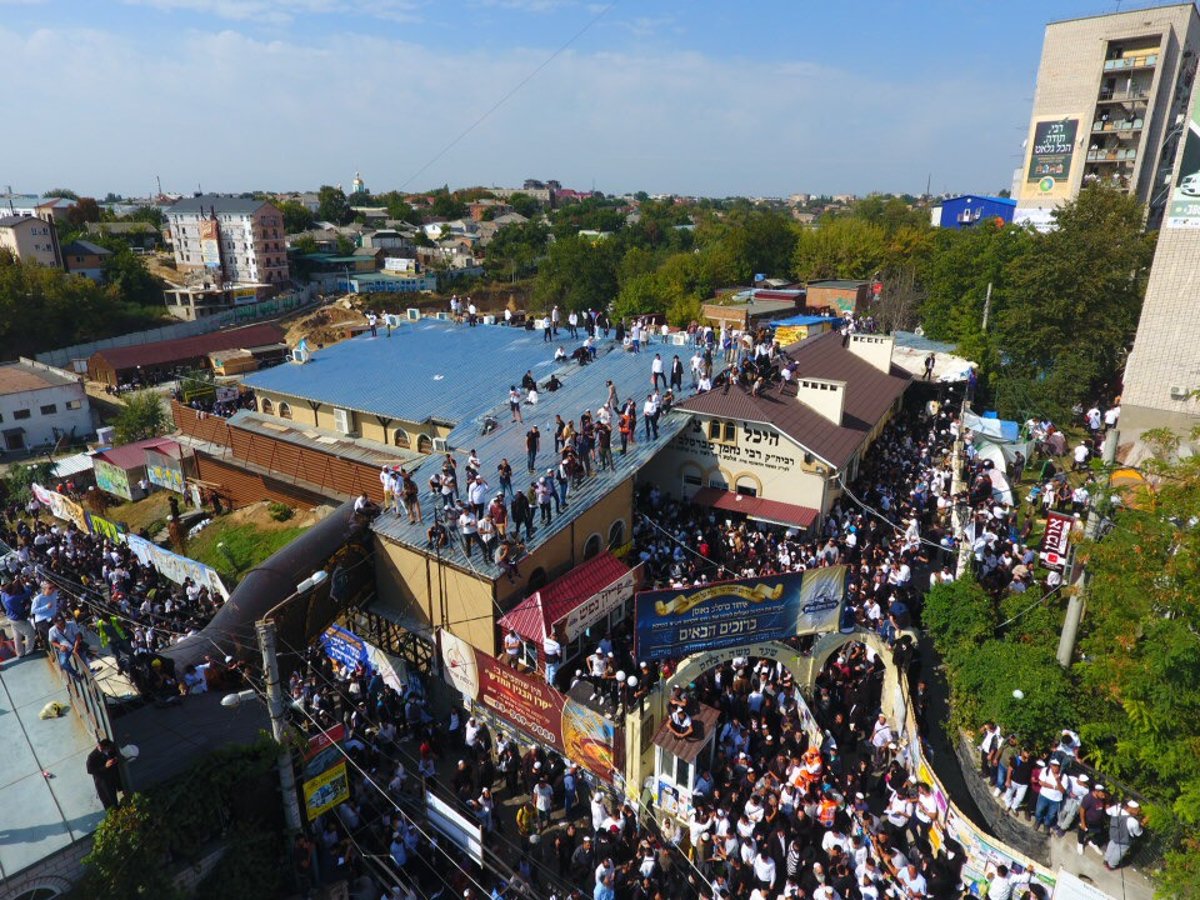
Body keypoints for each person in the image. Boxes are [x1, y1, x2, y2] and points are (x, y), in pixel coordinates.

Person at [1104, 799, 1143, 870]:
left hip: (1113, 834)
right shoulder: (1133, 821)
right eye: (1137, 810)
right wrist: (1142, 824)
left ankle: (1106, 860)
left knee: (1111, 846)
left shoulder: (1116, 809)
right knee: (1118, 853)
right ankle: (1111, 865)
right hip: (1124, 840)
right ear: (1131, 809)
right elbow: (1138, 833)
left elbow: (1107, 811)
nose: (1139, 812)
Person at [86, 739, 123, 809]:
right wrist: (105, 767)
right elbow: (90, 770)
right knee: (110, 801)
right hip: (103, 781)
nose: (107, 750)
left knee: (121, 789)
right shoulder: (91, 757)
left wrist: (116, 759)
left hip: (114, 776)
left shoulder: (110, 747)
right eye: (105, 749)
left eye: (108, 749)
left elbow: (115, 753)